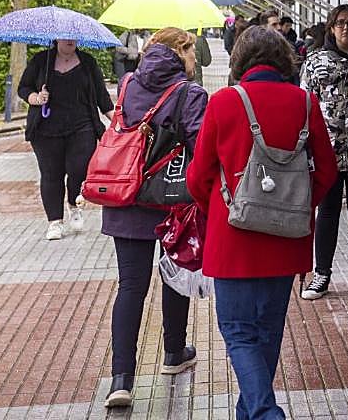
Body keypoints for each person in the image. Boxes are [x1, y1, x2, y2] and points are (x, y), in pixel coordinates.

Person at [187, 26, 338, 420]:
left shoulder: (223, 102)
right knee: (267, 334)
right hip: (286, 239)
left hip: (233, 238)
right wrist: (296, 207)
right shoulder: (306, 103)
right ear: (284, 59)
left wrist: (221, 210)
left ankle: (267, 413)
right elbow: (326, 171)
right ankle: (253, 412)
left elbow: (198, 177)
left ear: (239, 60)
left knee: (238, 332)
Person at [102, 29, 209, 410]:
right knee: (173, 276)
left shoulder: (128, 82)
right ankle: (174, 352)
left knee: (130, 286)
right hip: (171, 200)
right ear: (180, 51)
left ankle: (121, 379)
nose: (195, 60)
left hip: (126, 192)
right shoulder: (189, 94)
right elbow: (202, 148)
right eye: (192, 52)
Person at [299, 4, 348, 300]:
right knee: (328, 213)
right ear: (331, 27)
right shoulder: (317, 61)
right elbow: (305, 102)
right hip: (329, 151)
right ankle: (322, 274)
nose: (346, 28)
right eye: (340, 23)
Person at [18, 39, 114, 241]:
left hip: (82, 127)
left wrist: (117, 122)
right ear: (57, 39)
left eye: (73, 37)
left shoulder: (88, 62)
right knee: (51, 175)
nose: (70, 40)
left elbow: (101, 96)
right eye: (65, 36)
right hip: (46, 129)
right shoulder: (41, 61)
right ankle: (55, 222)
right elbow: (24, 87)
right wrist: (36, 98)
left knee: (79, 169)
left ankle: (73, 204)